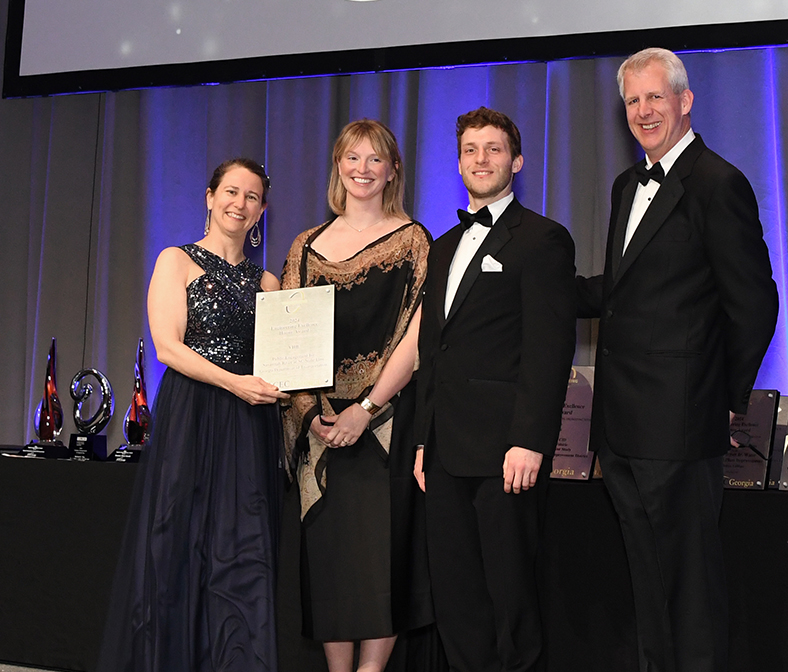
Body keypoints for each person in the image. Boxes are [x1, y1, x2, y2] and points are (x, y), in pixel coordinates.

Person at [576, 48, 780, 672]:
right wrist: (541, 287)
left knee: (690, 591)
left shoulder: (719, 183)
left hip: (682, 423)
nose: (643, 111)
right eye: (633, 101)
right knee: (649, 585)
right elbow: (624, 289)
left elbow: (755, 303)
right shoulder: (623, 186)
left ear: (685, 102)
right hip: (623, 425)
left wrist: (723, 398)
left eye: (655, 97)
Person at [97, 158, 288, 671]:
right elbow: (167, 348)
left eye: (251, 196)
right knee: (177, 542)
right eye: (230, 191)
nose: (239, 203)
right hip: (192, 416)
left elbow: (282, 363)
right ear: (209, 197)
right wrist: (235, 384)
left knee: (243, 550)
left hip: (250, 426)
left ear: (262, 210)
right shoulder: (175, 261)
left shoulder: (268, 281)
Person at [413, 106, 577, 672]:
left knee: (512, 599)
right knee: (457, 601)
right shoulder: (441, 246)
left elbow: (549, 350)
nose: (481, 159)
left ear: (518, 160)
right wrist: (421, 441)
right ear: (459, 163)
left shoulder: (543, 240)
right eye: (470, 150)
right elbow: (431, 352)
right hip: (445, 452)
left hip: (507, 452)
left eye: (494, 149)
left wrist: (531, 440)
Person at [281, 119, 432, 672]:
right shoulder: (304, 246)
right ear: (338, 166)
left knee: (380, 564)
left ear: (392, 169)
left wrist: (364, 412)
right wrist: (312, 413)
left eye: (375, 159)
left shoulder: (414, 239)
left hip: (384, 425)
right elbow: (287, 338)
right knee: (330, 564)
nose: (363, 169)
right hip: (319, 432)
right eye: (353, 157)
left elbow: (418, 335)